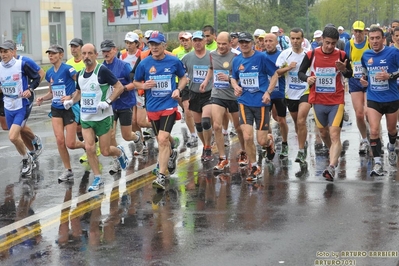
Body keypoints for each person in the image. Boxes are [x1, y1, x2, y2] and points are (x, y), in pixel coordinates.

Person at [63, 43, 130, 191]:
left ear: (95, 55)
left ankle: (119, 152)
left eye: (89, 54)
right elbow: (80, 93)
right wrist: (71, 101)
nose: (86, 57)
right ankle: (98, 178)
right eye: (84, 54)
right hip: (86, 117)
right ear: (81, 56)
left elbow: (119, 87)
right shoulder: (80, 74)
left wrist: (108, 101)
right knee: (89, 147)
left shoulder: (102, 71)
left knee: (105, 151)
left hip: (102, 117)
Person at [133, 31, 188, 190]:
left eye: (157, 44)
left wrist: (178, 89)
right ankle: (172, 153)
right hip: (152, 107)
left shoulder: (173, 61)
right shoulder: (144, 63)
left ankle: (161, 176)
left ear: (164, 45)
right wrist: (143, 86)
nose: (154, 47)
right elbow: (135, 82)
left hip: (169, 105)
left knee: (162, 139)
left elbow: (184, 77)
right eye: (151, 44)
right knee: (161, 138)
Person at [298, 26, 353, 181]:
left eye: (333, 43)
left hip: (336, 100)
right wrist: (307, 79)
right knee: (323, 134)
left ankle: (332, 166)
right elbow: (301, 72)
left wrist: (344, 70)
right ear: (322, 39)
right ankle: (334, 152)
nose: (330, 46)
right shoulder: (312, 54)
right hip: (318, 101)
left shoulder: (341, 54)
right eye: (327, 42)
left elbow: (350, 74)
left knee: (334, 133)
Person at [230, 32, 277, 181]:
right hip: (244, 102)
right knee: (247, 136)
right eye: (241, 42)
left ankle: (269, 141)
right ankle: (255, 166)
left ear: (252, 43)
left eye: (246, 42)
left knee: (261, 141)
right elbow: (233, 77)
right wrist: (235, 86)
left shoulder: (262, 57)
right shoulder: (236, 60)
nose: (244, 44)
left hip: (261, 103)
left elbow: (275, 74)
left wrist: (268, 92)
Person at [36, 44, 86, 181]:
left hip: (69, 108)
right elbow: (52, 93)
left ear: (61, 55)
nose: (51, 56)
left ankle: (86, 146)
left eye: (53, 53)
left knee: (71, 143)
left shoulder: (68, 69)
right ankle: (68, 170)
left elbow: (80, 86)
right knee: (59, 140)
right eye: (49, 54)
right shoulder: (50, 73)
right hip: (56, 108)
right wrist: (43, 98)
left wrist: (71, 96)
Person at [201, 31, 245, 171]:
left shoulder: (237, 56)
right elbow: (211, 68)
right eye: (218, 43)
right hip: (217, 94)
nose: (220, 46)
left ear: (231, 42)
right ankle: (222, 158)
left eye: (224, 44)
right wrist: (206, 81)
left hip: (234, 96)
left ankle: (243, 152)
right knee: (217, 126)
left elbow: (242, 75)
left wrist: (231, 79)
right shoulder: (212, 55)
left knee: (238, 127)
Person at [360, 27, 399, 176]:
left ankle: (391, 146)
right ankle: (377, 163)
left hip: (391, 98)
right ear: (368, 40)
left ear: (383, 39)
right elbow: (364, 70)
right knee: (374, 130)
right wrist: (363, 79)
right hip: (373, 97)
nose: (375, 41)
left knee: (391, 130)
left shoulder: (393, 52)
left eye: (377, 38)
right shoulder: (366, 54)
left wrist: (390, 76)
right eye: (372, 38)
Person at [100, 39, 143, 174]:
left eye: (108, 50)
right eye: (104, 51)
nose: (106, 53)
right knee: (111, 134)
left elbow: (134, 83)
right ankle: (116, 160)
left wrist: (122, 89)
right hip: (110, 106)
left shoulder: (124, 66)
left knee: (126, 136)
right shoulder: (101, 68)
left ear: (114, 50)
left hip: (125, 104)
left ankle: (136, 137)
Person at [0, 41, 41, 177]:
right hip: (8, 105)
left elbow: (37, 77)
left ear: (13, 52)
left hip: (21, 104)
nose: (3, 54)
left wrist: (30, 89)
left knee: (12, 137)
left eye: (6, 51)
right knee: (17, 135)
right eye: (1, 52)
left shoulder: (22, 64)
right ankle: (30, 151)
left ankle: (26, 159)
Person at [274, 27, 310, 164]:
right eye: (292, 38)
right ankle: (303, 142)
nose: (295, 41)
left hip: (305, 91)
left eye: (298, 38)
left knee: (301, 121)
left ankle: (301, 151)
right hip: (291, 93)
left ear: (302, 39)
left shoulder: (308, 54)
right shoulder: (285, 54)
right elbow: (278, 72)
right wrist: (288, 67)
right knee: (297, 123)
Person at [181, 31, 214, 161]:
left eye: (200, 40)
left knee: (206, 121)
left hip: (209, 93)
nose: (198, 43)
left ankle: (207, 148)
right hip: (193, 93)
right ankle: (206, 144)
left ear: (205, 41)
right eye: (195, 40)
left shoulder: (212, 56)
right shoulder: (187, 57)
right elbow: (179, 72)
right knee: (199, 125)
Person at [344, 21, 371, 155]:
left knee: (368, 113)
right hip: (355, 81)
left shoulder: (369, 43)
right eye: (356, 31)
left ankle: (373, 135)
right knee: (359, 114)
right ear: (353, 31)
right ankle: (364, 140)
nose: (358, 33)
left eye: (361, 31)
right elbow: (346, 63)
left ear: (364, 32)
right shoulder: (349, 44)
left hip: (369, 81)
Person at [264, 33, 289, 159]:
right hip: (266, 93)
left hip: (280, 92)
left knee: (281, 120)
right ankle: (270, 142)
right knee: (265, 121)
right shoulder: (261, 56)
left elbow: (289, 72)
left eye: (270, 41)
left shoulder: (282, 55)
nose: (268, 43)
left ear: (276, 42)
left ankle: (284, 143)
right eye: (266, 41)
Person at [176, 32, 198, 148]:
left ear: (192, 41)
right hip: (186, 86)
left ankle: (208, 129)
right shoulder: (178, 54)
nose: (184, 43)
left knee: (202, 113)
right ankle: (193, 135)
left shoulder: (199, 53)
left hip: (199, 86)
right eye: (182, 40)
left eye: (186, 40)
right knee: (187, 109)